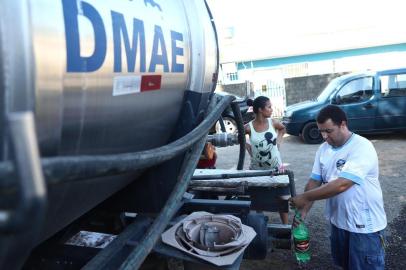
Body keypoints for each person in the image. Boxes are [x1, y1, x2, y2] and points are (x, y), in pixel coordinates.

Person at [290, 105, 387, 270]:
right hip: (338, 223)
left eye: (329, 131)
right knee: (343, 265)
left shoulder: (361, 147)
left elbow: (342, 184)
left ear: (343, 124)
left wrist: (305, 198)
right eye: (321, 131)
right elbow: (314, 180)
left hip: (364, 226)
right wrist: (304, 210)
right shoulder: (323, 149)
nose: (324, 136)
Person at [245, 96, 289, 224]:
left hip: (276, 167)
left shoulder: (273, 123)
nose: (271, 109)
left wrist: (279, 142)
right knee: (258, 198)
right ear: (260, 109)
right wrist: (248, 148)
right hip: (257, 169)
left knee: (282, 197)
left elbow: (282, 129)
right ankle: (261, 222)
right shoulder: (248, 127)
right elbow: (239, 137)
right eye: (269, 107)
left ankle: (285, 227)